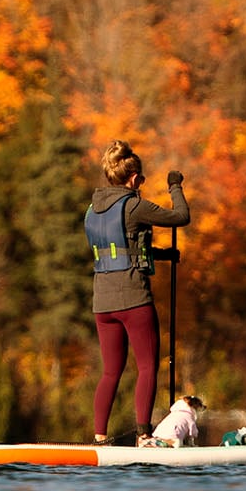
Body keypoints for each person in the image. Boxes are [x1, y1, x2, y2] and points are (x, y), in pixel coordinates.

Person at [85, 140, 189, 445]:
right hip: (134, 299)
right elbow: (180, 217)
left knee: (110, 372)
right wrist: (175, 187)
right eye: (141, 180)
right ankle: (144, 436)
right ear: (133, 179)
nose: (141, 184)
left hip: (102, 303)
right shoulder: (133, 204)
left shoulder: (92, 210)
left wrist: (162, 255)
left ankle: (99, 437)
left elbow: (121, 250)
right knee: (146, 367)